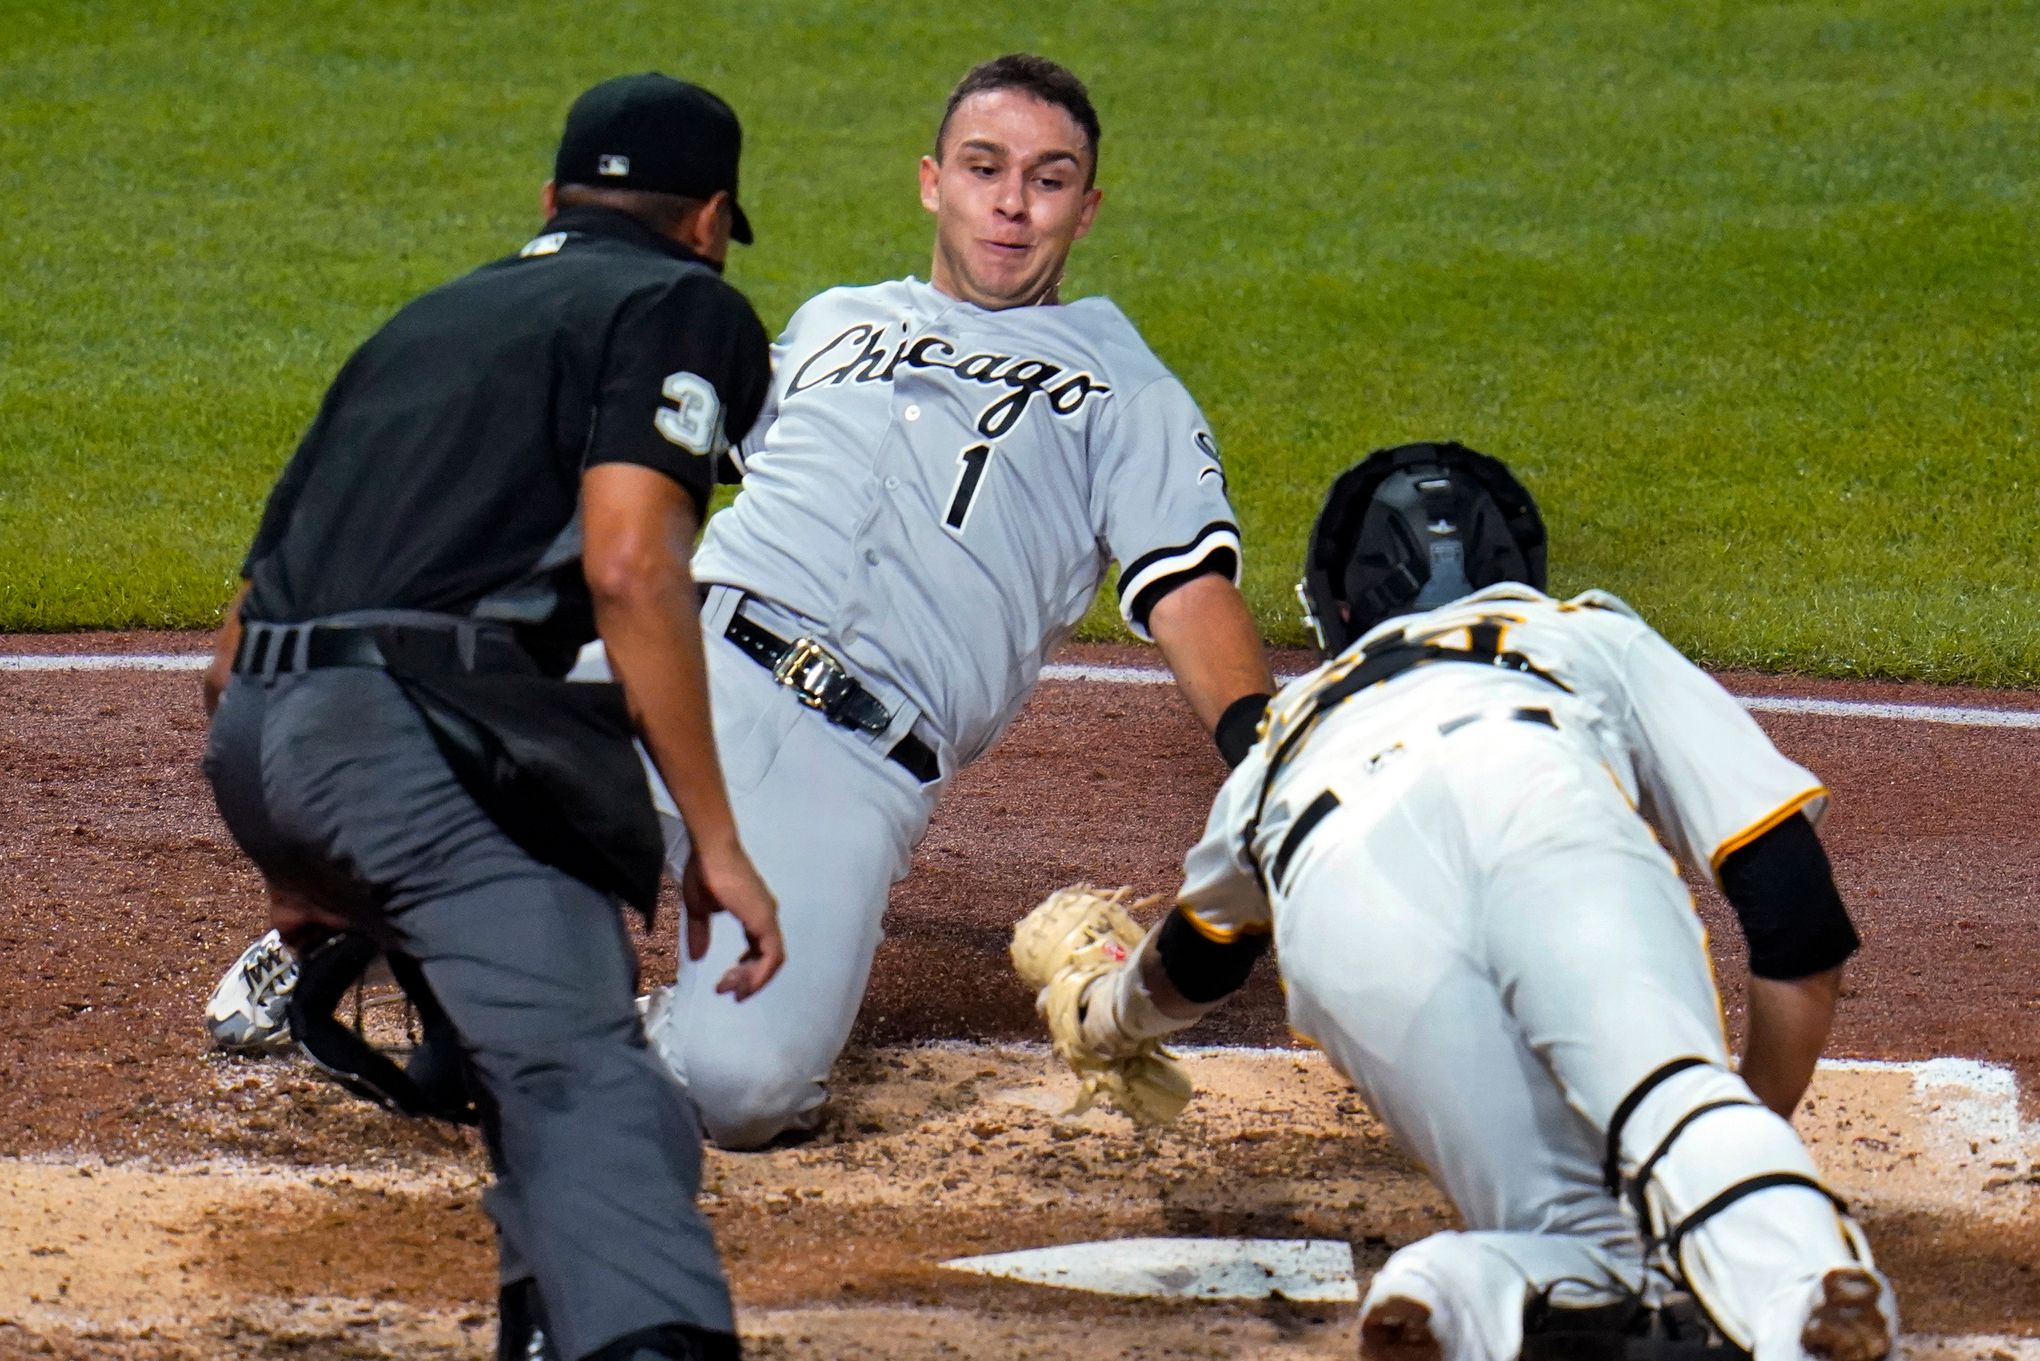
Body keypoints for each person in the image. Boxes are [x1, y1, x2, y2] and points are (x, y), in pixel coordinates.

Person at [208, 52, 1273, 1151]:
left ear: (1086, 209)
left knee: (744, 1093)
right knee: (412, 727)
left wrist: (1264, 745)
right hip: (687, 661)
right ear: (931, 181)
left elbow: (1187, 584)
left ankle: (587, 1024)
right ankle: (337, 930)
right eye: (983, 167)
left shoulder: (1124, 382)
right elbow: (644, 454)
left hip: (855, 764)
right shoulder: (828, 324)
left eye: (1048, 180)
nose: (1011, 201)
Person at [1020, 442, 1896, 1361]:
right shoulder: (1579, 630)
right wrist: (1743, 1133)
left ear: (1340, 607)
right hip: (1534, 799)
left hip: (1344, 898)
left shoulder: (1288, 733)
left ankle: (1447, 1293)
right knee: (1671, 1108)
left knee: (1574, 1231)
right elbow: (1794, 904)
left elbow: (1200, 959)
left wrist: (1105, 1012)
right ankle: (1802, 1293)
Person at [199, 73, 784, 1361]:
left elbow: (237, 631)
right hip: (413, 746)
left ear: (551, 201)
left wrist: (291, 854)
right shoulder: (682, 301)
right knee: (593, 1090)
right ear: (709, 218)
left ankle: (548, 1328)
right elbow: (634, 563)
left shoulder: (426, 322)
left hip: (261, 736)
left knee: (529, 1055)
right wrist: (717, 840)